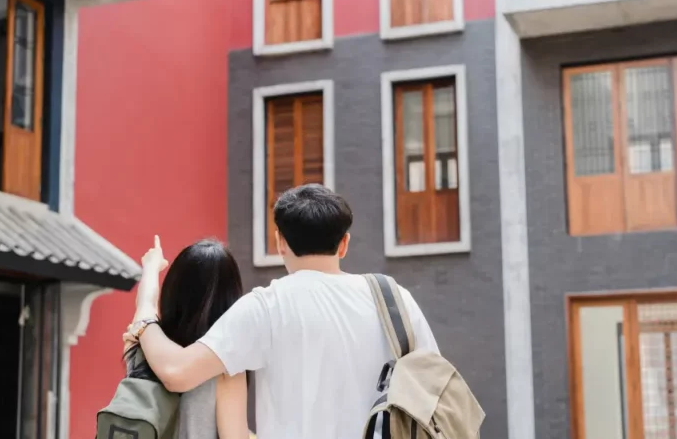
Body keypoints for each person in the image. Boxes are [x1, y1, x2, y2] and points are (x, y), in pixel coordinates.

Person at [128, 184, 440, 439]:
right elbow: (436, 394)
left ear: (280, 242)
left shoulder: (266, 307)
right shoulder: (395, 300)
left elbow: (176, 372)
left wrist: (144, 316)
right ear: (343, 244)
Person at [124, 239, 254, 439]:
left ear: (173, 290)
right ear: (230, 297)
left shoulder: (140, 342)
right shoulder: (226, 366)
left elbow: (145, 304)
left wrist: (151, 267)